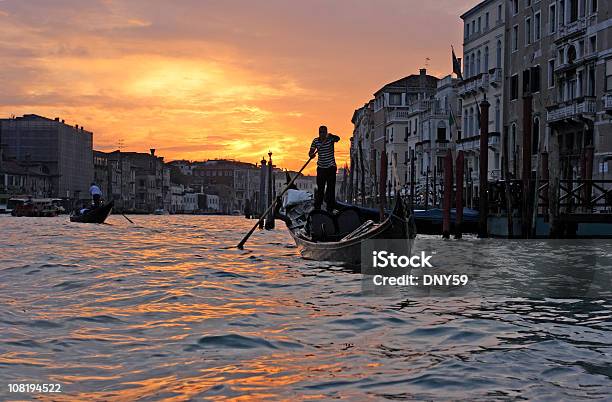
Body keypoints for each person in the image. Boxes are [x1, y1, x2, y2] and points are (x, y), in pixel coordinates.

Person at [309, 125, 340, 211]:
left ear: (326, 133)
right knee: (320, 188)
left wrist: (332, 136)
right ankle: (318, 208)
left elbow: (338, 138)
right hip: (321, 168)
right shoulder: (315, 141)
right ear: (319, 133)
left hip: (331, 167)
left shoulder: (330, 139)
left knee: (331, 188)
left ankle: (330, 208)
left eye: (324, 132)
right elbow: (311, 152)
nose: (322, 134)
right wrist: (311, 155)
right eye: (321, 132)